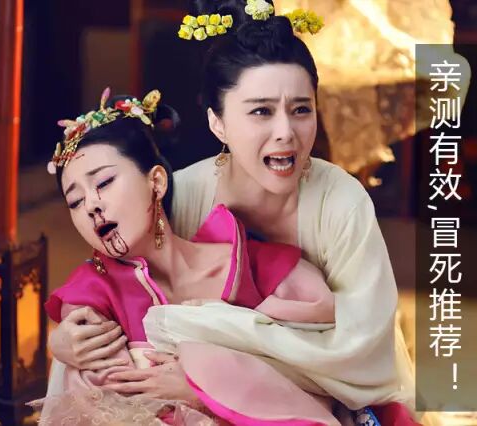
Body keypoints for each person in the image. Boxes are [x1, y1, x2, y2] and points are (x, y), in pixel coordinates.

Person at [48, 1, 419, 424]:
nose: (286, 132)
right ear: (218, 123)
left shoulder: (341, 203)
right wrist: (65, 342)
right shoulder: (183, 192)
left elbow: (361, 351)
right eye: (261, 111)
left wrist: (211, 381)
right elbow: (119, 281)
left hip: (333, 389)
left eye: (301, 109)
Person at [35, 87, 350, 424]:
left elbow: (321, 375)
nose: (91, 206)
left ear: (157, 182)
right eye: (75, 201)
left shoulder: (257, 270)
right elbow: (99, 402)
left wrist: (205, 389)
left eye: (104, 182)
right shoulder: (91, 301)